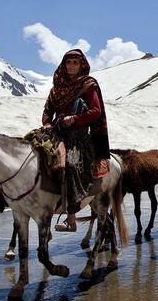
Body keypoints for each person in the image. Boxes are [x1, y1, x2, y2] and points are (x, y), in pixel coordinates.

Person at [43, 49, 111, 232]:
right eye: (68, 62)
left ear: (82, 65)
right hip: (56, 133)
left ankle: (71, 219)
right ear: (63, 65)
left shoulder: (88, 85)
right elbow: (48, 110)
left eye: (75, 62)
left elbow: (95, 111)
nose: (71, 66)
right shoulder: (57, 88)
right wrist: (47, 124)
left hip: (78, 137)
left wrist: (74, 119)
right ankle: (1, 199)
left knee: (70, 166)